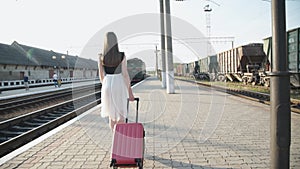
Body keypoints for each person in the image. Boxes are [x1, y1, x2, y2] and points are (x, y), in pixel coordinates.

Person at [99, 32, 135, 130]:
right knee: (121, 114)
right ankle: (121, 139)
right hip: (119, 83)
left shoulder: (101, 56)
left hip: (107, 84)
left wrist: (106, 85)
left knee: (112, 116)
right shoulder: (121, 55)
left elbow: (101, 75)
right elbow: (125, 75)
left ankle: (115, 140)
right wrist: (130, 93)